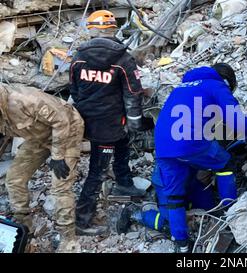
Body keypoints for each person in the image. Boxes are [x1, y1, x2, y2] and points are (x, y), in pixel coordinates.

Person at [117, 63, 247, 252]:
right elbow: (234, 118)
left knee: (180, 199)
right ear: (226, 82)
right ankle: (232, 216)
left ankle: (182, 246)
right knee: (225, 163)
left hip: (164, 148)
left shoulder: (182, 88)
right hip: (188, 145)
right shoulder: (216, 85)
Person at [69, 10, 152, 235]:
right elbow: (133, 92)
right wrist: (135, 122)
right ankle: (81, 220)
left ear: (93, 30)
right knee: (97, 171)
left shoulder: (78, 57)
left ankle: (124, 182)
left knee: (122, 146)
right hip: (113, 122)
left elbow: (75, 90)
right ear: (112, 29)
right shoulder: (123, 58)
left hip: (90, 121)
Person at [0, 83, 84, 252]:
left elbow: (61, 120)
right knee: (14, 178)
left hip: (68, 130)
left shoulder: (23, 100)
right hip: (38, 136)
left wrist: (58, 156)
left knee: (60, 187)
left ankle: (68, 239)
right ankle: (23, 228)